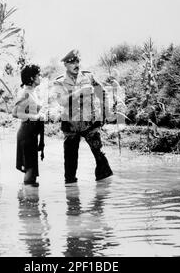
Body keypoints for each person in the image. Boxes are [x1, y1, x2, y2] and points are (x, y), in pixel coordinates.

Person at [51, 49, 113, 184]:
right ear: (66, 65)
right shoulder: (59, 82)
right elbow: (61, 101)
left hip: (90, 123)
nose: (76, 64)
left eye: (77, 61)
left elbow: (103, 94)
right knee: (70, 162)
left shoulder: (88, 77)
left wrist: (105, 112)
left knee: (100, 155)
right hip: (71, 126)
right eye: (72, 62)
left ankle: (103, 190)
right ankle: (72, 194)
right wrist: (79, 91)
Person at [12, 64, 45, 187]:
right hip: (26, 133)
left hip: (31, 133)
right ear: (32, 78)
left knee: (31, 170)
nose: (40, 77)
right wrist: (36, 117)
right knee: (30, 169)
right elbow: (14, 113)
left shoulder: (32, 92)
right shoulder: (25, 93)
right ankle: (28, 202)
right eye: (38, 75)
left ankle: (28, 201)